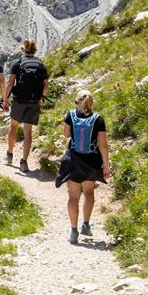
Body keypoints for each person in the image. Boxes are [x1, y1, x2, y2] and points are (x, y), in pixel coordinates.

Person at [56, 90, 111, 244]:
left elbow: (66, 135)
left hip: (74, 160)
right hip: (92, 161)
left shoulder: (71, 115)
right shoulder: (98, 119)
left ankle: (73, 231)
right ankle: (85, 225)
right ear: (92, 103)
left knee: (73, 196)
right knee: (88, 192)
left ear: (77, 102)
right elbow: (103, 145)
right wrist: (106, 166)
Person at [2, 38, 48, 172]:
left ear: (23, 48)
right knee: (28, 132)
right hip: (34, 101)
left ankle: (9, 154)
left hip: (19, 100)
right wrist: (41, 98)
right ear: (35, 50)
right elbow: (46, 85)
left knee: (14, 126)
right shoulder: (40, 64)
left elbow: (10, 83)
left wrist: (5, 99)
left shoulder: (17, 62)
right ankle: (24, 162)